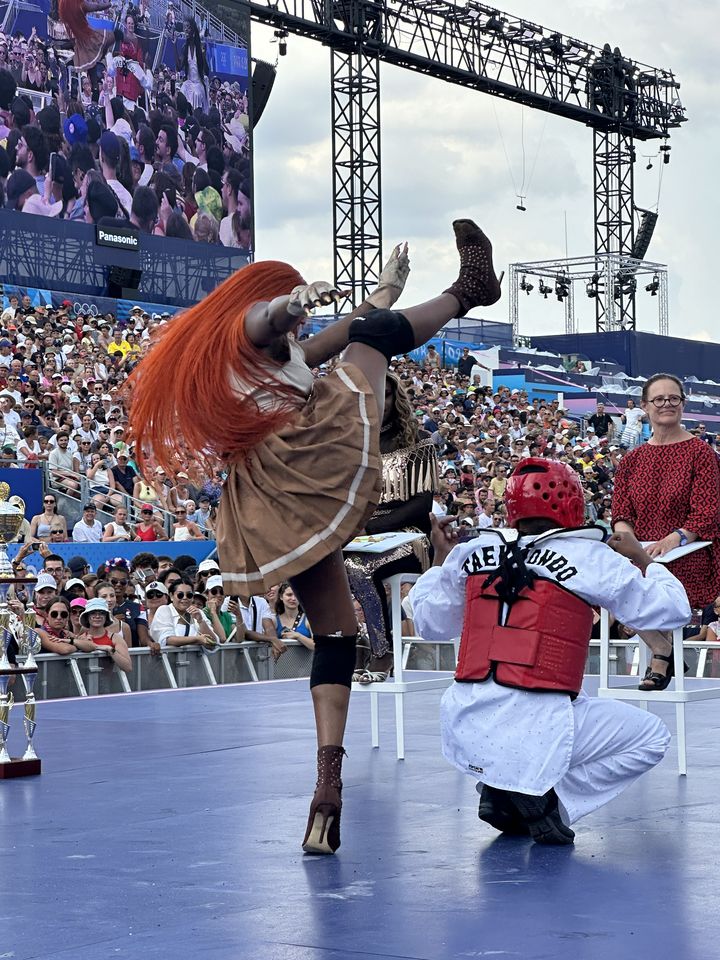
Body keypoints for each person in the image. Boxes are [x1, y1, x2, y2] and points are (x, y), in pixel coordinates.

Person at [128, 220, 502, 855]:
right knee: (375, 342)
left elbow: (349, 334)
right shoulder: (247, 338)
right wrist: (287, 305)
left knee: (337, 631)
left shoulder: (284, 357)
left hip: (269, 505)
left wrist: (382, 294)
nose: (298, 328)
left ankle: (327, 785)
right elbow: (262, 319)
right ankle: (469, 291)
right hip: (297, 466)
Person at [409, 458, 691, 844]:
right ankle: (545, 798)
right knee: (651, 737)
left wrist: (441, 559)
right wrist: (643, 559)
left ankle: (501, 784)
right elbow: (674, 609)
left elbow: (429, 623)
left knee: (571, 698)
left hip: (464, 724)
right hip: (539, 726)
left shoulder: (472, 550)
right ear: (572, 500)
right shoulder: (590, 556)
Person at [612, 373, 720, 690]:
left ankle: (661, 656)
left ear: (683, 404)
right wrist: (627, 540)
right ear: (645, 406)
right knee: (610, 581)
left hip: (691, 551)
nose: (666, 404)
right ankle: (664, 649)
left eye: (673, 398)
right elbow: (621, 513)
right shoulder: (631, 460)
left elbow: (708, 511)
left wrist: (674, 538)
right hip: (641, 551)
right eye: (658, 399)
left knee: (651, 581)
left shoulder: (701, 454)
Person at [344, 372, 438, 682]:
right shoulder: (356, 445)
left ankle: (382, 652)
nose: (380, 404)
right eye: (372, 397)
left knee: (357, 568)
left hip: (410, 537)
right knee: (334, 564)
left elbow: (421, 506)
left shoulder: (419, 440)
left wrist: (368, 527)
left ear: (395, 398)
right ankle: (361, 644)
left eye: (385, 396)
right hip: (364, 540)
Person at [149, 578, 219, 649]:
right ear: (171, 596)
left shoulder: (199, 612)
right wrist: (197, 639)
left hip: (196, 659)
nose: (185, 598)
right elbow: (167, 639)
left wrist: (200, 621)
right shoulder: (164, 610)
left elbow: (213, 641)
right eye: (180, 595)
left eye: (189, 595)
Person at [74, 598, 133, 673]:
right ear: (87, 616)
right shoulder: (81, 638)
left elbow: (128, 667)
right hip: (84, 682)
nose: (97, 616)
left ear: (106, 617)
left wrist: (110, 649)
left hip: (109, 682)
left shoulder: (115, 638)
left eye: (102, 613)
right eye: (93, 613)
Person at [274, 582, 314, 652]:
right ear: (281, 596)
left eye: (296, 595)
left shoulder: (308, 619)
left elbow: (317, 645)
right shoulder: (274, 620)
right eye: (289, 595)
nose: (293, 598)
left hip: (305, 663)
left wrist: (298, 636)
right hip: (281, 662)